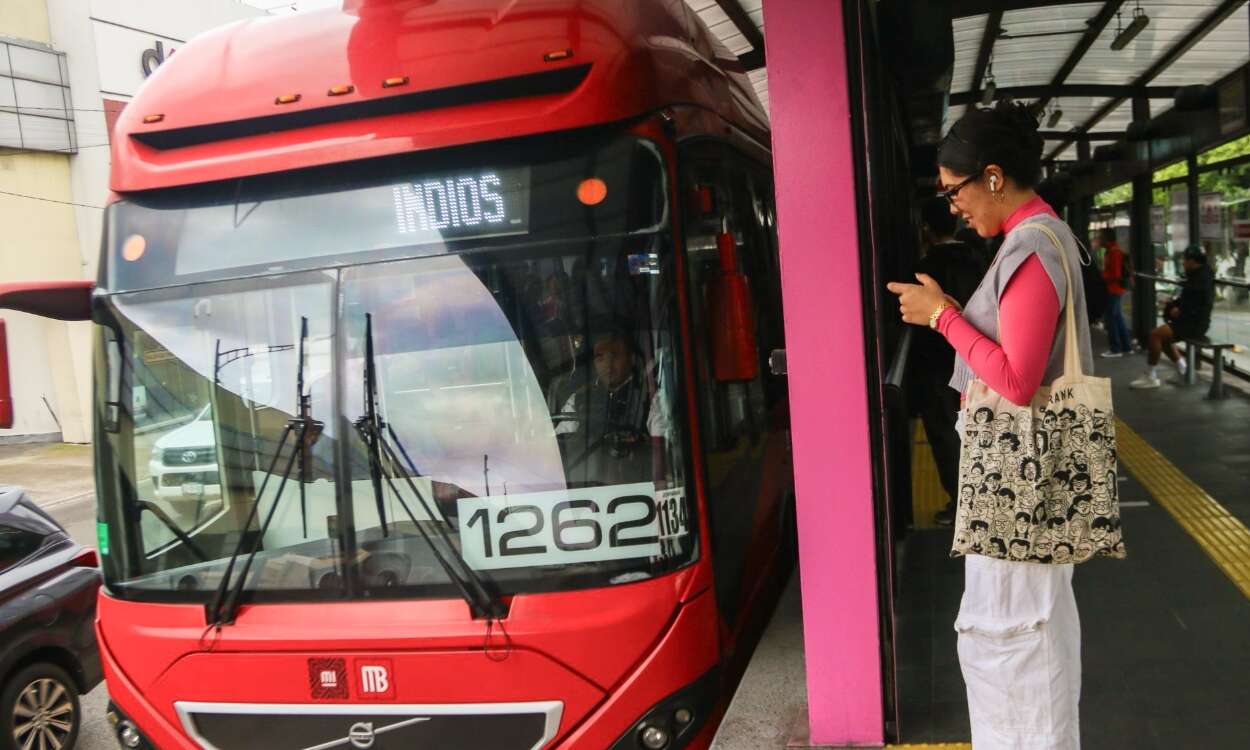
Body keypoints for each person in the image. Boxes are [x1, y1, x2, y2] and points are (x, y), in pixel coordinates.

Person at [888, 100, 1092, 750]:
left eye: (954, 191)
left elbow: (1016, 381)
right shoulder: (1035, 240)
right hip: (1022, 486)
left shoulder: (1033, 249)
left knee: (1016, 651)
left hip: (1019, 487)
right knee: (1017, 646)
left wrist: (942, 317)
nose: (953, 207)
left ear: (994, 176)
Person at [911, 196, 987, 526]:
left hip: (938, 366)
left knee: (945, 434)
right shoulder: (979, 260)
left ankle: (961, 504)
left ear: (925, 229)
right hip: (979, 358)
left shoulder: (925, 270)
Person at [1130, 246, 1216, 389]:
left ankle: (1151, 376)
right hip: (1191, 320)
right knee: (1163, 338)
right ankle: (1183, 368)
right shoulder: (1199, 274)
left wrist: (1180, 310)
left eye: (1185, 259)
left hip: (1194, 324)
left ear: (1192, 261)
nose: (1183, 262)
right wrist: (1175, 305)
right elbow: (1190, 298)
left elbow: (1198, 303)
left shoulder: (1201, 278)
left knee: (1155, 335)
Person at [1097, 228, 1134, 357]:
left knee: (1111, 319)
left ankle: (1115, 349)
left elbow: (1116, 274)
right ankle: (1127, 346)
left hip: (1113, 289)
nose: (1099, 239)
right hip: (1115, 289)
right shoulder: (1113, 251)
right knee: (1117, 317)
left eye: (1101, 237)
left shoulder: (1113, 253)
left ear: (1107, 239)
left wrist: (1102, 276)